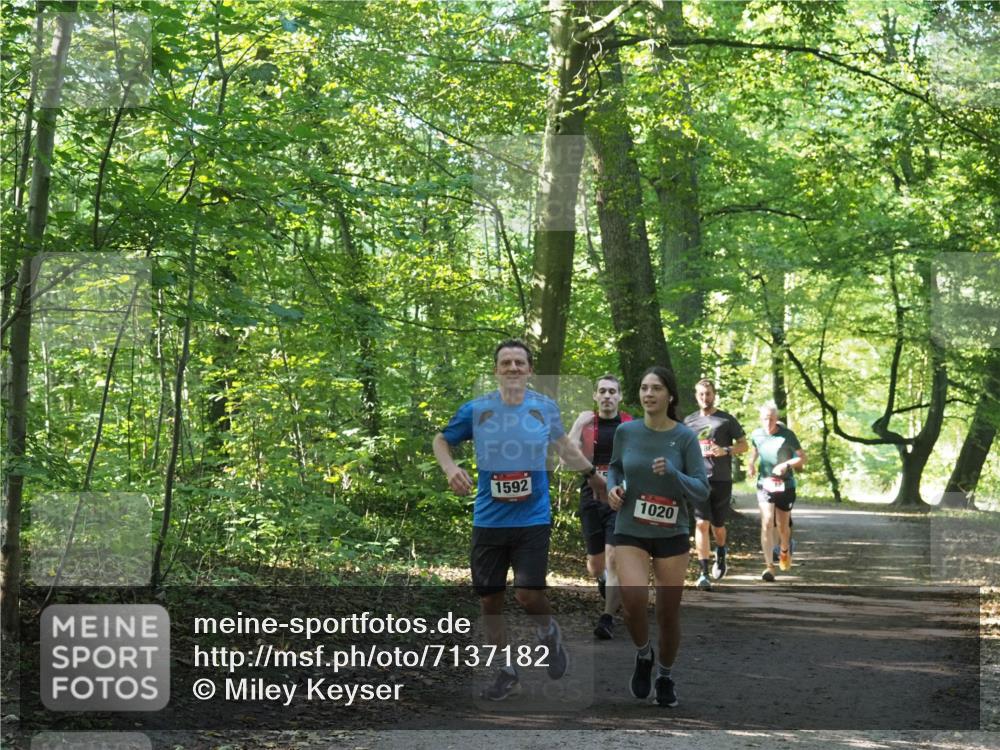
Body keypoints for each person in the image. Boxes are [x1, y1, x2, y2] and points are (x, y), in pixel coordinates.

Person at [432, 339, 606, 700]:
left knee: (528, 595)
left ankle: (548, 634)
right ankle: (506, 670)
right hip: (489, 520)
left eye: (519, 363)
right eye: (506, 363)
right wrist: (450, 468)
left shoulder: (544, 408)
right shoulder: (477, 410)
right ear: (496, 370)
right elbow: (441, 440)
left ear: (529, 370)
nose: (512, 368)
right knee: (489, 602)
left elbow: (564, 447)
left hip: (532, 518)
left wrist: (591, 474)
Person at [607, 366, 709, 707]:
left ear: (669, 396)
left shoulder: (684, 437)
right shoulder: (626, 432)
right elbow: (616, 468)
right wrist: (613, 489)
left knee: (667, 613)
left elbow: (701, 490)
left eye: (656, 389)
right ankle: (643, 655)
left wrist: (675, 473)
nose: (648, 394)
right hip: (630, 529)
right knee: (632, 603)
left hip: (671, 533)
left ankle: (665, 675)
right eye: (643, 388)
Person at [566, 374, 632, 639]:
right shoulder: (586, 423)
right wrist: (577, 423)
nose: (607, 396)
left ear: (619, 396)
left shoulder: (630, 424)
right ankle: (606, 584)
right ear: (595, 396)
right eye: (602, 391)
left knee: (614, 557)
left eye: (612, 391)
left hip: (620, 498)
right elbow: (567, 455)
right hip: (591, 497)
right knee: (596, 565)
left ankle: (606, 619)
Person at [683, 379, 748, 590]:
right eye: (701, 394)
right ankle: (703, 573)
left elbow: (744, 445)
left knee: (718, 527)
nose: (705, 397)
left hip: (721, 479)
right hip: (698, 479)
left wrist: (726, 450)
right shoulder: (689, 422)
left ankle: (721, 551)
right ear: (696, 395)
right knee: (701, 523)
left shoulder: (726, 420)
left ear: (714, 394)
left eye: (708, 393)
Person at [747, 401, 806, 582]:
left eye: (772, 419)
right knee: (766, 522)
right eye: (765, 419)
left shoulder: (788, 435)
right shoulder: (756, 434)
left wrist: (785, 464)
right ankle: (769, 567)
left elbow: (803, 458)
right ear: (761, 418)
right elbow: (756, 450)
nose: (768, 423)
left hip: (785, 485)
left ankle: (785, 549)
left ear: (777, 419)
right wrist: (751, 464)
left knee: (782, 526)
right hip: (765, 484)